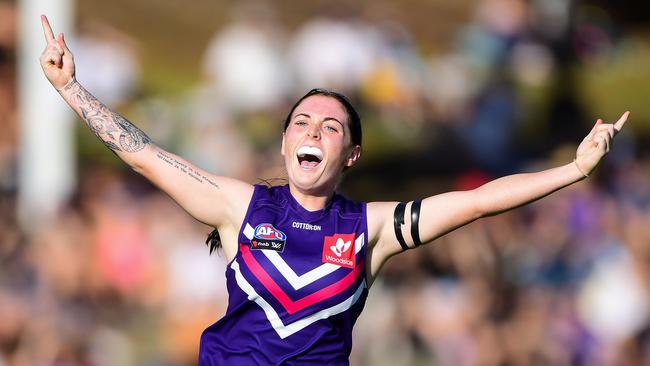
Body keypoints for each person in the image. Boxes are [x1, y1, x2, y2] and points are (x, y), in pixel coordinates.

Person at [39, 15, 629, 365]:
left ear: (351, 154)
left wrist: (572, 172)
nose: (313, 131)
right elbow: (146, 158)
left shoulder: (369, 228)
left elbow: (476, 202)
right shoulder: (240, 206)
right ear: (283, 144)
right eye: (301, 121)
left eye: (330, 126)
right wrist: (70, 89)